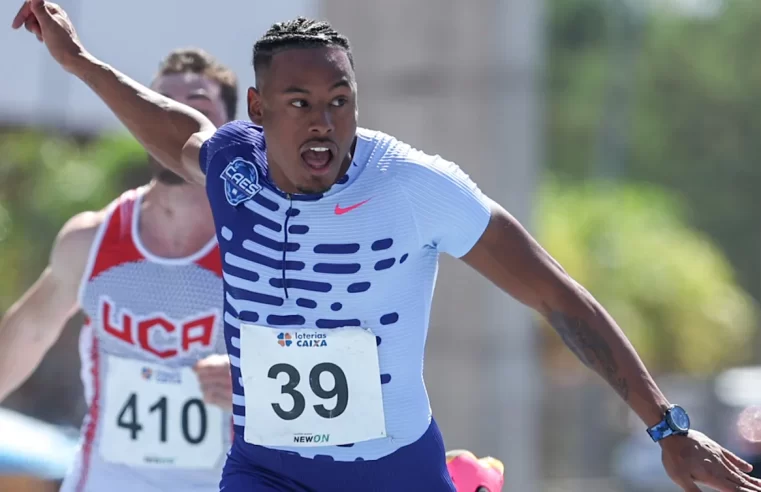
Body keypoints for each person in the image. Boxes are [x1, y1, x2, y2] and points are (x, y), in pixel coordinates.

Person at [10, 2, 761, 491]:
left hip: (390, 470)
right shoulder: (230, 166)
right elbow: (162, 124)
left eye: (339, 102)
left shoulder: (415, 185)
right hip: (263, 466)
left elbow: (556, 295)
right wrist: (75, 60)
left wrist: (668, 428)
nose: (323, 125)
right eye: (300, 105)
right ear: (260, 110)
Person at [0, 45, 239, 492]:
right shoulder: (90, 240)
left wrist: (253, 379)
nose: (173, 124)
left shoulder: (254, 247)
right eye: (158, 108)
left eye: (194, 112)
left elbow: (316, 355)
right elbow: (26, 335)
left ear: (228, 130)